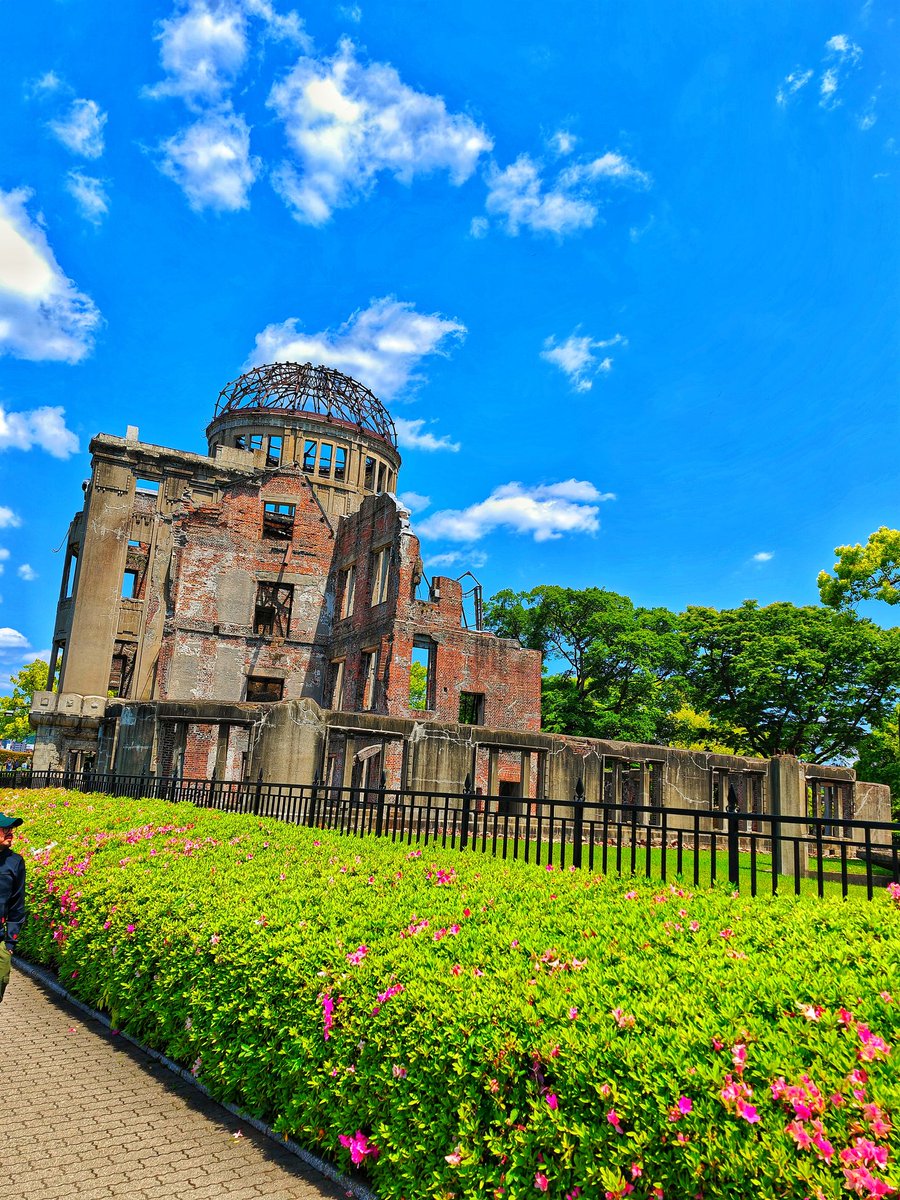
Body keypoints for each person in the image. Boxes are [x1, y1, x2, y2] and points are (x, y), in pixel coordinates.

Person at [0, 811, 25, 1003]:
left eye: (11, 829)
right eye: (5, 829)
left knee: (2, 978)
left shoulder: (15, 862)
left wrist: (10, 943)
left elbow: (17, 905)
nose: (11, 833)